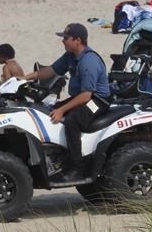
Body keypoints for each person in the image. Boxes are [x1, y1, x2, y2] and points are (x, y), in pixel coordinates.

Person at [21, 23, 110, 182]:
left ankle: (77, 167)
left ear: (77, 40)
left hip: (96, 100)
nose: (62, 41)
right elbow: (50, 71)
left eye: (65, 38)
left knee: (72, 121)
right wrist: (25, 78)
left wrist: (62, 110)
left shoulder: (88, 61)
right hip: (82, 96)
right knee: (48, 111)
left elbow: (86, 95)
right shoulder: (70, 56)